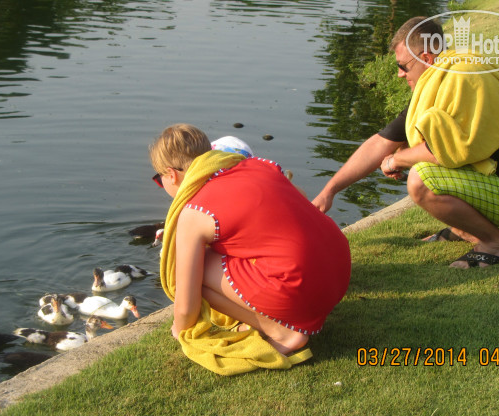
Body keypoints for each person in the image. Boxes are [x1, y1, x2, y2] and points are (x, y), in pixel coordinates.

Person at [311, 17, 499, 269]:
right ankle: (465, 229)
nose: (399, 73)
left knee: (421, 179)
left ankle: (497, 245)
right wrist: (329, 191)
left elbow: (446, 151)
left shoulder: (462, 81)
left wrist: (397, 159)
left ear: (426, 58)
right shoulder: (441, 82)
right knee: (421, 165)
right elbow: (380, 143)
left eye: (403, 66)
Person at [149, 123, 350, 371]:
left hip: (301, 289)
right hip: (338, 274)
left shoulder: (194, 212)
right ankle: (273, 319)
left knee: (195, 269)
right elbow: (299, 196)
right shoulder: (258, 165)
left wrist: (179, 328)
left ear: (171, 174)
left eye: (159, 180)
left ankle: (283, 332)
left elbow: (186, 307)